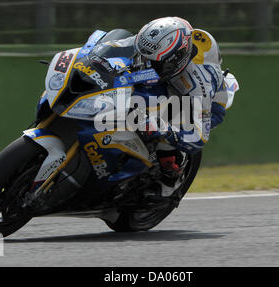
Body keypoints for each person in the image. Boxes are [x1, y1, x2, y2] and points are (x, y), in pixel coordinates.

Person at [97, 17, 240, 199]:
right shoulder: (159, 44)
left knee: (165, 128)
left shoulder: (197, 84)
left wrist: (165, 130)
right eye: (144, 57)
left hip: (205, 105)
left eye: (152, 62)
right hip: (170, 80)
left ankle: (170, 179)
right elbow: (116, 46)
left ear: (174, 61)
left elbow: (198, 136)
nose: (144, 64)